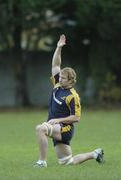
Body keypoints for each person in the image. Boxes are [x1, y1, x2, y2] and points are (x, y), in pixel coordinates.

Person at [34, 34, 104, 167]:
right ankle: (95, 153)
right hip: (55, 127)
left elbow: (76, 118)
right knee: (67, 162)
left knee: (40, 129)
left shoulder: (73, 96)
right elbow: (55, 64)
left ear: (71, 80)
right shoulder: (57, 85)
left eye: (63, 78)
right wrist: (58, 48)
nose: (60, 79)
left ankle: (41, 162)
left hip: (64, 129)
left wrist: (58, 120)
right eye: (60, 77)